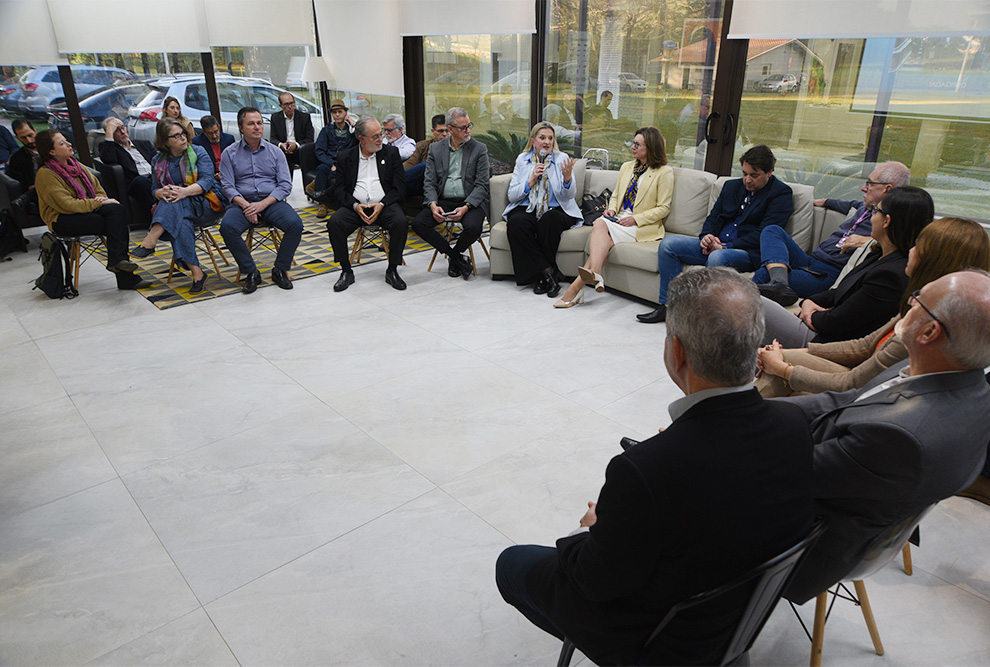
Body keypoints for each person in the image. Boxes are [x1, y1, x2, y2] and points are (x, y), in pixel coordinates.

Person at [496, 267, 813, 665]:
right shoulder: (795, 424)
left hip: (659, 643)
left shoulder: (646, 469)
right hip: (737, 619)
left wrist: (599, 528)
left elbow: (595, 581)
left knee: (511, 564)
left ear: (677, 351)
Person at [781, 269, 990, 604]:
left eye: (919, 297)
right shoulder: (955, 375)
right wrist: (748, 413)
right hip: (847, 501)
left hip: (810, 547)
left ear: (930, 331)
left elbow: (787, 474)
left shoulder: (901, 436)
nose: (909, 301)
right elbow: (842, 400)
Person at [757, 217, 990, 396]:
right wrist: (787, 354)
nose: (910, 250)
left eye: (919, 246)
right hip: (848, 363)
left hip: (858, 386)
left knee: (759, 313)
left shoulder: (921, 323)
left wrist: (783, 367)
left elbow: (856, 382)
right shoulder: (917, 302)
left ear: (934, 261)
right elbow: (865, 345)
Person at [762, 185, 933, 347]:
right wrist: (809, 301)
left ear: (887, 221)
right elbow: (840, 291)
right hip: (821, 322)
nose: (871, 216)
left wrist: (809, 315)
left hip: (825, 342)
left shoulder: (891, 275)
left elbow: (837, 322)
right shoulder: (878, 253)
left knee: (753, 302)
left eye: (875, 211)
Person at [638, 144, 792, 323]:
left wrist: (726, 246)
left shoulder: (780, 194)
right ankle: (669, 307)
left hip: (746, 252)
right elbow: (713, 217)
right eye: (744, 173)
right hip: (715, 245)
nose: (747, 180)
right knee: (668, 245)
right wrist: (706, 237)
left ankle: (706, 319)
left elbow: (764, 234)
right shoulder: (731, 187)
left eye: (754, 175)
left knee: (718, 257)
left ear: (769, 172)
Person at [757, 161, 910, 306]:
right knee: (772, 230)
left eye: (870, 183)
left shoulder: (892, 220)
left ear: (887, 189)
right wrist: (818, 201)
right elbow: (845, 204)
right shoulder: (864, 207)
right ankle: (780, 283)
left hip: (828, 274)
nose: (864, 188)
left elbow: (900, 245)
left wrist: (867, 241)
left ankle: (775, 288)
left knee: (763, 274)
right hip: (811, 261)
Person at [555, 126, 673, 308]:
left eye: (637, 144)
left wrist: (636, 219)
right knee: (603, 228)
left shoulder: (664, 172)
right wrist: (611, 209)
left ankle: (579, 286)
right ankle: (590, 277)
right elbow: (617, 195)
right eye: (633, 143)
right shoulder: (627, 167)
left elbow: (663, 208)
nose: (632, 147)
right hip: (619, 218)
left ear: (650, 147)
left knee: (599, 224)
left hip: (641, 225)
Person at [33, 129, 145, 289]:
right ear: (51, 151)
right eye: (62, 143)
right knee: (114, 223)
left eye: (66, 140)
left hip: (86, 209)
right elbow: (67, 205)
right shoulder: (46, 174)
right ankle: (124, 275)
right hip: (61, 219)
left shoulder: (76, 166)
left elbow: (98, 189)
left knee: (117, 210)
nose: (69, 144)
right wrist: (98, 203)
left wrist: (103, 200)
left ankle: (118, 263)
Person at [130, 118, 223, 293]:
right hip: (177, 208)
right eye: (176, 136)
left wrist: (183, 192)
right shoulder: (158, 160)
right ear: (165, 141)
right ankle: (197, 274)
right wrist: (159, 193)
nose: (182, 138)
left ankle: (151, 239)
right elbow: (154, 188)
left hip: (206, 202)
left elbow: (207, 181)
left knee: (175, 201)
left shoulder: (198, 151)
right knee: (180, 218)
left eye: (183, 134)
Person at [219, 107, 303, 294]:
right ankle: (250, 272)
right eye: (251, 124)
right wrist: (247, 206)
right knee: (227, 228)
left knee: (295, 224)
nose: (257, 127)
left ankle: (280, 269)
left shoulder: (275, 152)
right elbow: (227, 186)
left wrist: (261, 205)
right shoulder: (229, 153)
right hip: (242, 203)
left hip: (271, 201)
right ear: (241, 128)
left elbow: (284, 185)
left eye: (259, 123)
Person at [326, 116, 408, 292]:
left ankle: (392, 269)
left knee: (400, 222)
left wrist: (383, 204)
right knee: (334, 223)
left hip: (384, 205)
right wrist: (356, 206)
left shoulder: (391, 154)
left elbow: (400, 188)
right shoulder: (345, 157)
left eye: (381, 135)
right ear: (361, 139)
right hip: (356, 207)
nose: (381, 140)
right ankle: (346, 271)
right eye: (375, 136)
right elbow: (339, 190)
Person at [502, 122, 581, 298]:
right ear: (533, 140)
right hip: (527, 206)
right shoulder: (523, 160)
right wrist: (529, 182)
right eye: (542, 138)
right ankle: (548, 274)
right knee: (516, 224)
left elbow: (568, 196)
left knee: (548, 221)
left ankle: (540, 277)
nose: (547, 142)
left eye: (550, 138)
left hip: (556, 209)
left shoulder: (561, 159)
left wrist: (567, 179)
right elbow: (512, 196)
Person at [411, 107, 490, 280]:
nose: (468, 130)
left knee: (474, 227)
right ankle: (457, 258)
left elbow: (482, 185)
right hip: (443, 200)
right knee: (419, 223)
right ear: (451, 129)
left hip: (470, 201)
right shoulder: (436, 149)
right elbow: (429, 182)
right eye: (463, 128)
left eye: (469, 125)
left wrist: (466, 206)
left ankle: (455, 256)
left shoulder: (479, 149)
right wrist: (432, 205)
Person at [98, 117, 156, 217]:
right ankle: (158, 216)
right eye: (117, 130)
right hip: (137, 182)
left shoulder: (143, 144)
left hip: (155, 177)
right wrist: (109, 133)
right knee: (141, 181)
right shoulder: (111, 149)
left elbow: (158, 162)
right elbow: (108, 159)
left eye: (123, 128)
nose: (122, 132)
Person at [311, 98, 357, 218]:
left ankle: (316, 185)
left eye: (340, 112)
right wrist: (331, 163)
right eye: (334, 112)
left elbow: (360, 142)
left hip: (346, 162)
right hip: (330, 161)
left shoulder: (351, 131)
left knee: (341, 173)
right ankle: (323, 204)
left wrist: (353, 125)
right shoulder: (326, 130)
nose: (337, 115)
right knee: (321, 169)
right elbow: (319, 150)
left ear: (345, 113)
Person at [403, 114, 447, 198]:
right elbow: (409, 165)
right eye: (440, 131)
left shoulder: (455, 147)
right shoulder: (423, 146)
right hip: (422, 183)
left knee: (426, 166)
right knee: (423, 167)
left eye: (447, 131)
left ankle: (394, 182)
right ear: (433, 131)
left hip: (441, 184)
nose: (444, 134)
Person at [270, 92, 314, 175]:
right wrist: (281, 145)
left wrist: (296, 144)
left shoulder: (304, 117)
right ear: (280, 106)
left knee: (306, 153)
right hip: (283, 150)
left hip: (300, 149)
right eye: (286, 104)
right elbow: (273, 139)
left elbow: (310, 139)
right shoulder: (275, 117)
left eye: (291, 103)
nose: (290, 107)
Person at [191, 115, 234, 180]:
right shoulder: (197, 142)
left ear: (219, 127)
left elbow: (234, 160)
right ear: (204, 132)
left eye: (216, 132)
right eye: (210, 133)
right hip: (210, 176)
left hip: (229, 173)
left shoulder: (229, 139)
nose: (214, 136)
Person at [6, 119, 38, 193]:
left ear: (35, 131)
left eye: (30, 135)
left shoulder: (49, 149)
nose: (29, 140)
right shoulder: (17, 159)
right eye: (24, 138)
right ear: (17, 138)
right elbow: (20, 185)